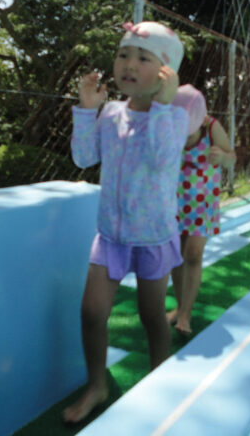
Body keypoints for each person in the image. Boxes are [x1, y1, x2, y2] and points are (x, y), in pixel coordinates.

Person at [64, 21, 188, 423]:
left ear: (167, 73)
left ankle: (159, 382)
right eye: (123, 55)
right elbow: (84, 158)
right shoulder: (111, 113)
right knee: (91, 313)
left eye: (143, 58)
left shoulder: (175, 118)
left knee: (152, 316)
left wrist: (163, 107)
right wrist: (87, 109)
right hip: (111, 237)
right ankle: (97, 385)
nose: (128, 64)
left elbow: (161, 158)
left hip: (152, 237)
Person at [167, 84, 236, 337]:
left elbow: (232, 157)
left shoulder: (211, 127)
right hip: (176, 201)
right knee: (176, 255)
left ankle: (186, 313)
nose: (184, 138)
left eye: (188, 132)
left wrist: (223, 158)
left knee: (193, 253)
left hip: (203, 203)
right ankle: (179, 305)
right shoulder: (168, 126)